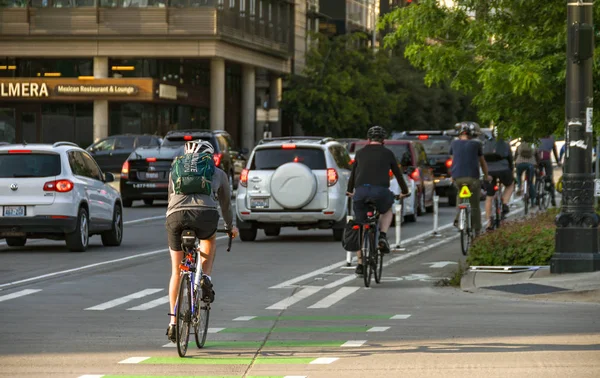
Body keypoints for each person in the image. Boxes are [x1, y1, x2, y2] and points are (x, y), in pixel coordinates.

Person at [165, 140, 239, 342]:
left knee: (176, 271)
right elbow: (225, 205)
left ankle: (173, 323)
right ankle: (205, 277)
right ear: (209, 157)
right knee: (209, 238)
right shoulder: (217, 173)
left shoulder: (175, 169)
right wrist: (230, 226)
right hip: (205, 216)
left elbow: (170, 198)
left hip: (175, 218)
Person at [346, 126, 410, 275]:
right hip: (380, 192)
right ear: (383, 140)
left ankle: (360, 264)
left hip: (361, 193)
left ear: (368, 140)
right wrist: (405, 191)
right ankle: (382, 236)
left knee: (360, 226)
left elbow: (354, 174)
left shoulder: (360, 153)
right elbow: (398, 174)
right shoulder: (388, 153)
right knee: (387, 210)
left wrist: (350, 191)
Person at [450, 121, 490, 236]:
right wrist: (487, 176)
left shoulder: (454, 144)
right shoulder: (477, 144)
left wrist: (452, 176)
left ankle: (458, 219)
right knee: (474, 205)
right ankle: (477, 230)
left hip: (457, 178)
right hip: (472, 178)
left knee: (460, 196)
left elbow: (454, 161)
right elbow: (482, 163)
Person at [482, 134, 514, 231]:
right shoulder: (505, 144)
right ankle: (504, 203)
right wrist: (511, 171)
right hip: (503, 170)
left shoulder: (485, 144)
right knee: (510, 184)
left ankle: (488, 224)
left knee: (489, 196)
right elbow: (510, 160)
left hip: (489, 171)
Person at [537, 135, 561, 207]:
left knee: (538, 177)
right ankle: (553, 199)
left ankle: (536, 195)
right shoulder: (551, 139)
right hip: (547, 159)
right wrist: (557, 161)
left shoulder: (538, 138)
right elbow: (555, 151)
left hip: (538, 160)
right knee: (550, 178)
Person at [514, 139, 539, 206]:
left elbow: (515, 156)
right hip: (530, 165)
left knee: (518, 175)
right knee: (530, 183)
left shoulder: (519, 146)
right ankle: (533, 201)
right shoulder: (534, 146)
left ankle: (519, 186)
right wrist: (537, 165)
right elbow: (537, 157)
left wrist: (515, 163)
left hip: (519, 164)